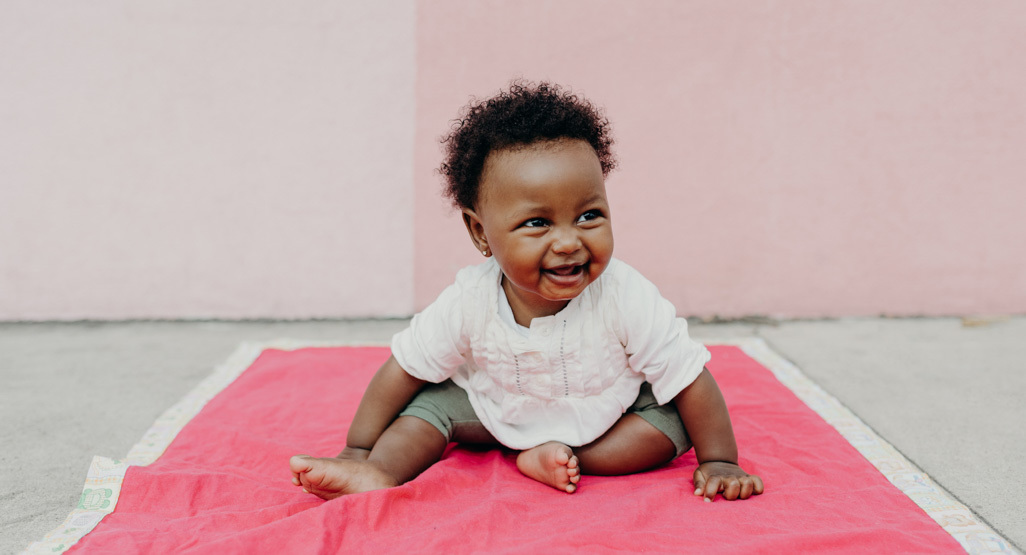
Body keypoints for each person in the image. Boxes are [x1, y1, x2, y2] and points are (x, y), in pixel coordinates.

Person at [290, 81, 764, 502]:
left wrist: (719, 460)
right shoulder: (469, 300)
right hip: (496, 403)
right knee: (424, 410)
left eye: (589, 216)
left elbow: (689, 376)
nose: (568, 242)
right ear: (480, 233)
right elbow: (404, 369)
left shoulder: (625, 294)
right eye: (537, 223)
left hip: (605, 410)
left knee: (674, 422)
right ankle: (377, 472)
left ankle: (558, 456)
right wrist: (357, 447)